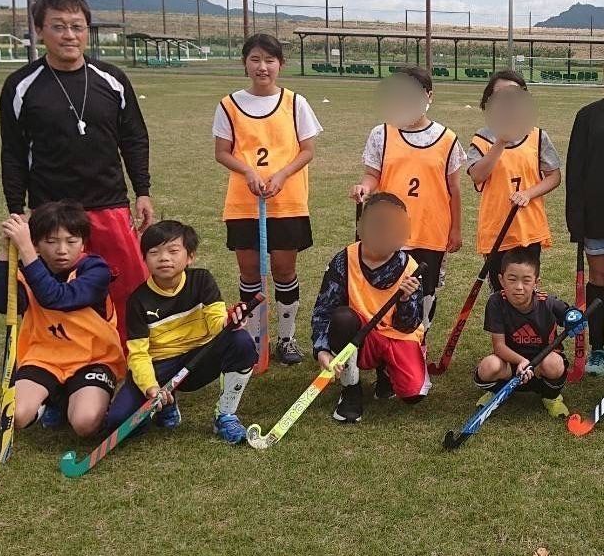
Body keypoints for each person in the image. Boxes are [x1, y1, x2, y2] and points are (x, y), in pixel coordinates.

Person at [0, 0, 152, 354]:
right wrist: (16, 209)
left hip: (109, 204)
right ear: (39, 30)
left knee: (128, 288)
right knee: (52, 292)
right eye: (58, 26)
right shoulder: (21, 86)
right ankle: (62, 362)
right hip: (51, 212)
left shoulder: (112, 79)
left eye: (77, 26)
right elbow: (13, 152)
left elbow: (134, 138)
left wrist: (143, 191)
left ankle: (130, 360)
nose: (69, 35)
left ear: (86, 30)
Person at [213, 33, 322, 365]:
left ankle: (286, 339)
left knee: (284, 270)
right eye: (255, 59)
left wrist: (282, 175)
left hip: (287, 201)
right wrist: (247, 171)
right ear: (245, 63)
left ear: (280, 65)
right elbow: (222, 152)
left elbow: (307, 150)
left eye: (270, 60)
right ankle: (254, 338)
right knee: (249, 271)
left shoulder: (295, 102)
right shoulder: (229, 105)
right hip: (243, 203)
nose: (263, 67)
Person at [106, 221, 257, 444]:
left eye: (173, 251)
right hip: (159, 367)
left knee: (241, 341)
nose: (164, 258)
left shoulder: (202, 280)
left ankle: (225, 415)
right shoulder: (137, 300)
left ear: (190, 257)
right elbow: (138, 354)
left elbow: (216, 323)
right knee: (118, 423)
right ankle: (166, 403)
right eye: (154, 252)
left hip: (199, 359)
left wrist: (230, 320)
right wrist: (151, 388)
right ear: (144, 259)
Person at [0, 201, 125, 436]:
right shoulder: (27, 269)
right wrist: (6, 251)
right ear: (37, 244)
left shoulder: (96, 269)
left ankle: (76, 399)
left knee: (84, 423)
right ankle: (52, 400)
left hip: (93, 358)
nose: (62, 250)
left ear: (83, 243)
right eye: (51, 242)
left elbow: (57, 297)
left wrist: (27, 251)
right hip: (43, 357)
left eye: (71, 241)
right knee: (13, 416)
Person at [350, 66, 464, 337]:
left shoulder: (447, 138)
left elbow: (454, 188)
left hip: (430, 231)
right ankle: (384, 344)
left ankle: (419, 345)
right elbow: (372, 175)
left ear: (429, 96)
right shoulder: (382, 133)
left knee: (425, 291)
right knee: (386, 289)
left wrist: (456, 229)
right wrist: (364, 187)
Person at [311, 193, 428, 423]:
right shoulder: (344, 260)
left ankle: (386, 373)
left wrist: (406, 300)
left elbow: (409, 326)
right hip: (360, 335)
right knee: (342, 318)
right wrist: (322, 350)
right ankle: (351, 389)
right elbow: (324, 310)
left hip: (396, 336)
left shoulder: (411, 268)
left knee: (413, 394)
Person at [467, 69, 561, 291]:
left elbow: (554, 176)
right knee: (501, 293)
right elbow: (477, 175)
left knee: (526, 292)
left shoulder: (538, 136)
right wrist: (500, 141)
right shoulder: (482, 138)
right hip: (496, 230)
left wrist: (528, 193)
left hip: (529, 229)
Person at [474, 247, 582, 418]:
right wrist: (521, 361)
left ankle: (551, 397)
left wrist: (575, 317)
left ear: (536, 282)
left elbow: (571, 313)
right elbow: (499, 347)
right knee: (488, 367)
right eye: (512, 279)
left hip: (540, 368)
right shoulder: (496, 302)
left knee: (554, 364)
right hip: (511, 366)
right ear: (501, 280)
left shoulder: (548, 302)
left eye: (526, 280)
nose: (519, 287)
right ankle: (497, 393)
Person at [565, 96, 604, 374]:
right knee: (599, 279)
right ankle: (599, 348)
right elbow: (575, 170)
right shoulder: (588, 116)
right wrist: (576, 219)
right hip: (597, 217)